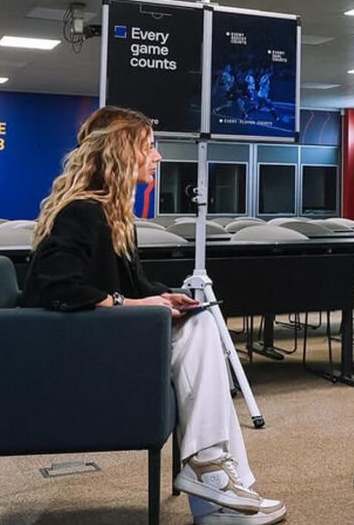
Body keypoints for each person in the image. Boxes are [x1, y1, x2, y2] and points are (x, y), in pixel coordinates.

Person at [20, 106, 286, 525]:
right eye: (149, 147)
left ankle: (216, 490)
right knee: (199, 330)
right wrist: (135, 305)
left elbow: (131, 283)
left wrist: (162, 296)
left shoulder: (111, 214)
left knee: (199, 320)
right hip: (74, 348)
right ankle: (211, 478)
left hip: (101, 335)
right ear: (122, 152)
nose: (158, 157)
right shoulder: (81, 212)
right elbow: (54, 288)